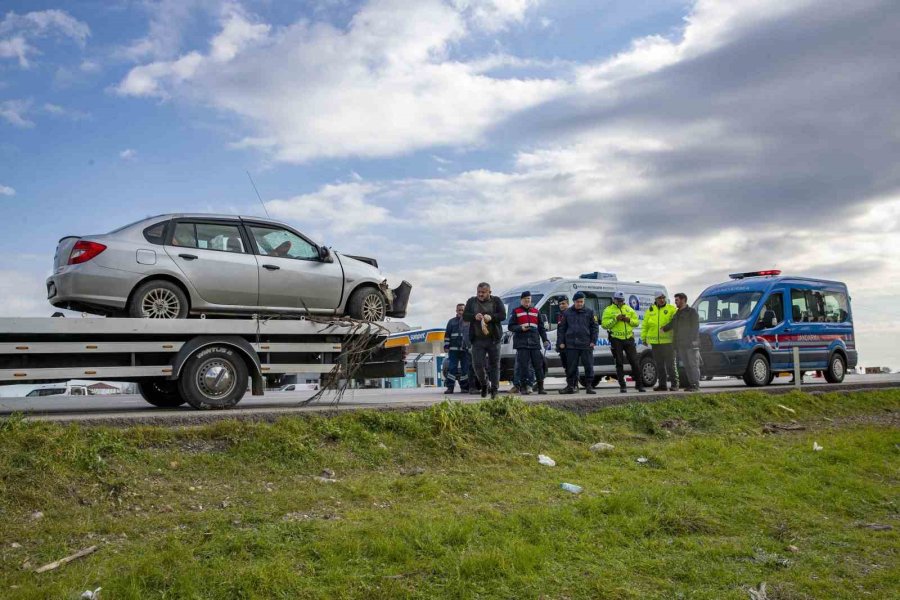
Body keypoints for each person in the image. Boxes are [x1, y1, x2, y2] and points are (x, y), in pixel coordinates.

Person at [463, 282, 507, 399]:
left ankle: (495, 390)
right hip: (477, 340)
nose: (480, 294)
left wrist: (491, 317)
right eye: (479, 292)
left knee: (494, 365)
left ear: (489, 292)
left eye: (483, 292)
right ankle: (484, 384)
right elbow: (465, 316)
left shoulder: (496, 301)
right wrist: (474, 317)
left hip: (493, 339)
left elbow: (503, 315)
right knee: (477, 365)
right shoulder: (471, 301)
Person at [602, 291, 646, 393]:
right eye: (618, 300)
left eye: (622, 300)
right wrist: (615, 319)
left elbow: (636, 323)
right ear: (614, 300)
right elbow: (604, 325)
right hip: (616, 339)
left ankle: (639, 385)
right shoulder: (608, 310)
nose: (620, 302)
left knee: (635, 362)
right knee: (619, 362)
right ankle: (622, 385)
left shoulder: (629, 309)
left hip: (629, 338)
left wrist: (628, 320)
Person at [508, 291, 551, 395]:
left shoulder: (536, 311)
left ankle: (541, 388)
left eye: (529, 299)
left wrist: (545, 339)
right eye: (525, 299)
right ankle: (523, 387)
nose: (527, 301)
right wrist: (520, 328)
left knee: (538, 366)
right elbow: (511, 326)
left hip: (534, 343)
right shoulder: (516, 311)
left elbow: (541, 328)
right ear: (521, 300)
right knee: (523, 366)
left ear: (531, 300)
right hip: (522, 343)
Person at [557, 291, 599, 395]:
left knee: (588, 366)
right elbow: (562, 328)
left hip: (586, 344)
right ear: (574, 301)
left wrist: (593, 341)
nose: (579, 303)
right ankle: (571, 386)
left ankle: (589, 386)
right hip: (571, 345)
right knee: (571, 367)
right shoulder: (567, 313)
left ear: (584, 301)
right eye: (577, 302)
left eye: (581, 301)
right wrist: (561, 342)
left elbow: (595, 328)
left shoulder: (590, 312)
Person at [663, 292, 701, 392]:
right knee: (686, 365)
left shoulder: (691, 312)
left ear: (683, 300)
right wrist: (663, 328)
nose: (675, 302)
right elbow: (671, 324)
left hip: (690, 344)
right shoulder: (677, 314)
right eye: (675, 300)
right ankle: (691, 384)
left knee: (693, 365)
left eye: (677, 300)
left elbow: (695, 327)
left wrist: (694, 340)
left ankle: (695, 385)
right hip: (680, 344)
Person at [641, 292, 677, 391]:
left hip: (668, 342)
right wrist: (644, 338)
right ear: (655, 299)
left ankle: (674, 384)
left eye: (663, 298)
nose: (662, 300)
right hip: (655, 343)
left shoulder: (671, 309)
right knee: (659, 365)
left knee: (670, 365)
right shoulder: (650, 310)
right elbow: (645, 325)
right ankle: (662, 385)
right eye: (659, 298)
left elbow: (675, 323)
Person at [443, 303, 470, 394]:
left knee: (465, 369)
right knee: (452, 368)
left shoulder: (469, 322)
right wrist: (446, 346)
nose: (461, 312)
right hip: (453, 350)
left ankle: (464, 387)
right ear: (456, 311)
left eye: (462, 310)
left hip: (465, 350)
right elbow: (447, 335)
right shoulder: (451, 322)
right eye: (459, 310)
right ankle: (450, 388)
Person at [555, 297, 570, 380]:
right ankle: (570, 384)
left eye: (563, 303)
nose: (561, 305)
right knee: (566, 366)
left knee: (571, 366)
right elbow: (560, 332)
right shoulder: (560, 315)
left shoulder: (570, 314)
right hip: (562, 345)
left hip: (569, 345)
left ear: (568, 304)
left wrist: (564, 342)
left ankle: (573, 385)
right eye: (560, 304)